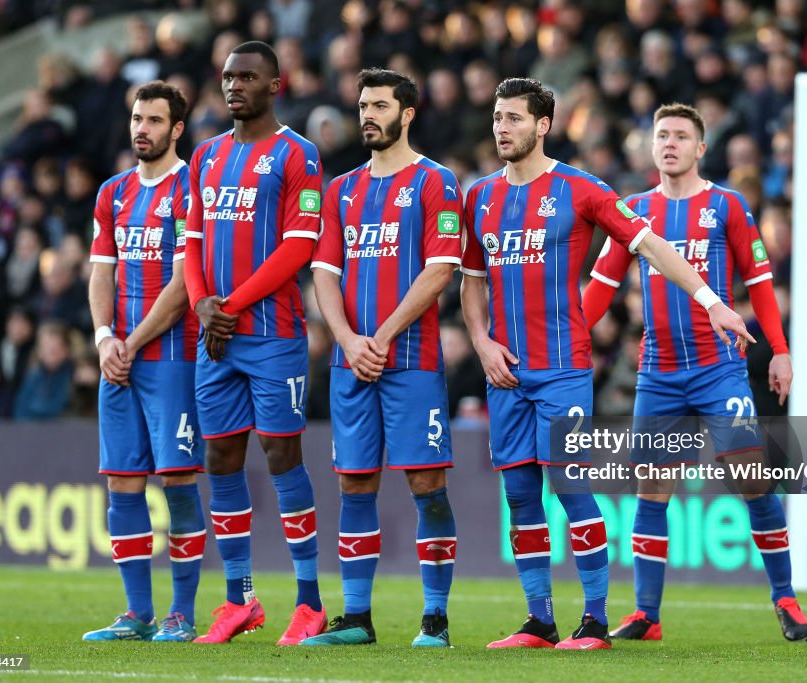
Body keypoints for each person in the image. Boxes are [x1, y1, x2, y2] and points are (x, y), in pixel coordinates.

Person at [460, 78, 753, 651]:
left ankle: (594, 621)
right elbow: (470, 280)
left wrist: (713, 302)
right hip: (504, 371)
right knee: (519, 495)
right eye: (497, 117)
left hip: (563, 367)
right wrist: (481, 342)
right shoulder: (479, 196)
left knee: (570, 486)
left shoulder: (581, 189)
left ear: (543, 126)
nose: (502, 127)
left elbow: (653, 246)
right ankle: (538, 621)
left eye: (514, 118)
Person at [581, 102, 807, 642]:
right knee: (652, 490)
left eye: (681, 136)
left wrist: (779, 350)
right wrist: (566, 338)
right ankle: (647, 615)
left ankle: (786, 597)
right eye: (662, 135)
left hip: (719, 368)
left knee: (751, 479)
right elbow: (602, 288)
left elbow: (758, 283)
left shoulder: (726, 205)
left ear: (700, 148)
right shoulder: (633, 210)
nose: (670, 143)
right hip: (658, 371)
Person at [302, 68, 462, 648]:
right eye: (363, 104)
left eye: (380, 106)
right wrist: (348, 341)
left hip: (411, 361)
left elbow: (440, 268)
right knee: (355, 485)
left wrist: (383, 336)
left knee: (426, 483)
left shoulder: (436, 183)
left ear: (408, 113)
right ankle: (357, 619)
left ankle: (435, 620)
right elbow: (323, 271)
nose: (367, 114)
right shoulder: (341, 189)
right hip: (352, 363)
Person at [183, 41, 325, 645]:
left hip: (271, 336)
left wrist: (230, 306)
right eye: (227, 77)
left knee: (281, 454)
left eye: (247, 76)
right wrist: (201, 305)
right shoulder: (205, 157)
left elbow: (298, 247)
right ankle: (240, 598)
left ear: (276, 85)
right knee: (219, 458)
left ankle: (310, 602)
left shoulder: (299, 154)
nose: (234, 85)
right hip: (215, 337)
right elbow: (190, 240)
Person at [84, 80, 206, 642]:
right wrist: (106, 336)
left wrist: (131, 344)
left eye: (154, 121)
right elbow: (102, 271)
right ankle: (137, 613)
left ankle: (181, 612)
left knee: (178, 478)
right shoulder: (112, 193)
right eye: (137, 118)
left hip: (173, 359)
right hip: (120, 360)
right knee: (123, 484)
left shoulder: (189, 191)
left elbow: (184, 283)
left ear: (176, 129)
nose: (142, 129)